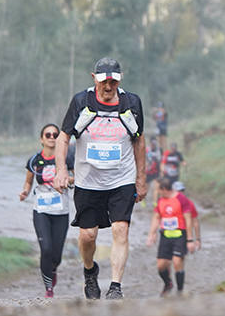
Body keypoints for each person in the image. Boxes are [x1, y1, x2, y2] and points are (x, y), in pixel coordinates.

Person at [53, 57, 148, 299]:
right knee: (88, 235)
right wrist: (62, 170)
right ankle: (89, 271)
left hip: (122, 179)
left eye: (113, 82)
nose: (108, 86)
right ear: (93, 77)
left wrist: (141, 179)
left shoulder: (131, 103)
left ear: (120, 79)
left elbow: (139, 140)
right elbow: (64, 137)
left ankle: (115, 286)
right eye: (104, 81)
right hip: (88, 180)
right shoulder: (81, 102)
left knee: (120, 229)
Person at [18, 123, 73, 298]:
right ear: (41, 139)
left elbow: (75, 178)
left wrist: (66, 179)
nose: (51, 137)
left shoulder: (65, 159)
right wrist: (25, 191)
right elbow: (28, 181)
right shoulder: (34, 160)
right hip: (41, 210)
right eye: (47, 135)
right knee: (46, 249)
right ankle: (48, 288)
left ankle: (53, 269)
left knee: (56, 255)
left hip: (61, 211)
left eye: (55, 135)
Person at [146, 177, 195, 296]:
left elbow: (188, 219)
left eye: (159, 190)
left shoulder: (181, 199)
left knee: (177, 262)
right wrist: (151, 234)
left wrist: (190, 239)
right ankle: (168, 283)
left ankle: (180, 291)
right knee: (161, 265)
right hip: (165, 236)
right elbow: (156, 217)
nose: (157, 192)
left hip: (180, 236)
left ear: (164, 189)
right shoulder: (161, 201)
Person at [172, 180, 201, 255]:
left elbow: (195, 221)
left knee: (178, 258)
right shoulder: (167, 202)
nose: (180, 193)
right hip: (168, 233)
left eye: (182, 190)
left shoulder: (189, 203)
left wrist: (197, 239)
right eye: (178, 191)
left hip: (183, 234)